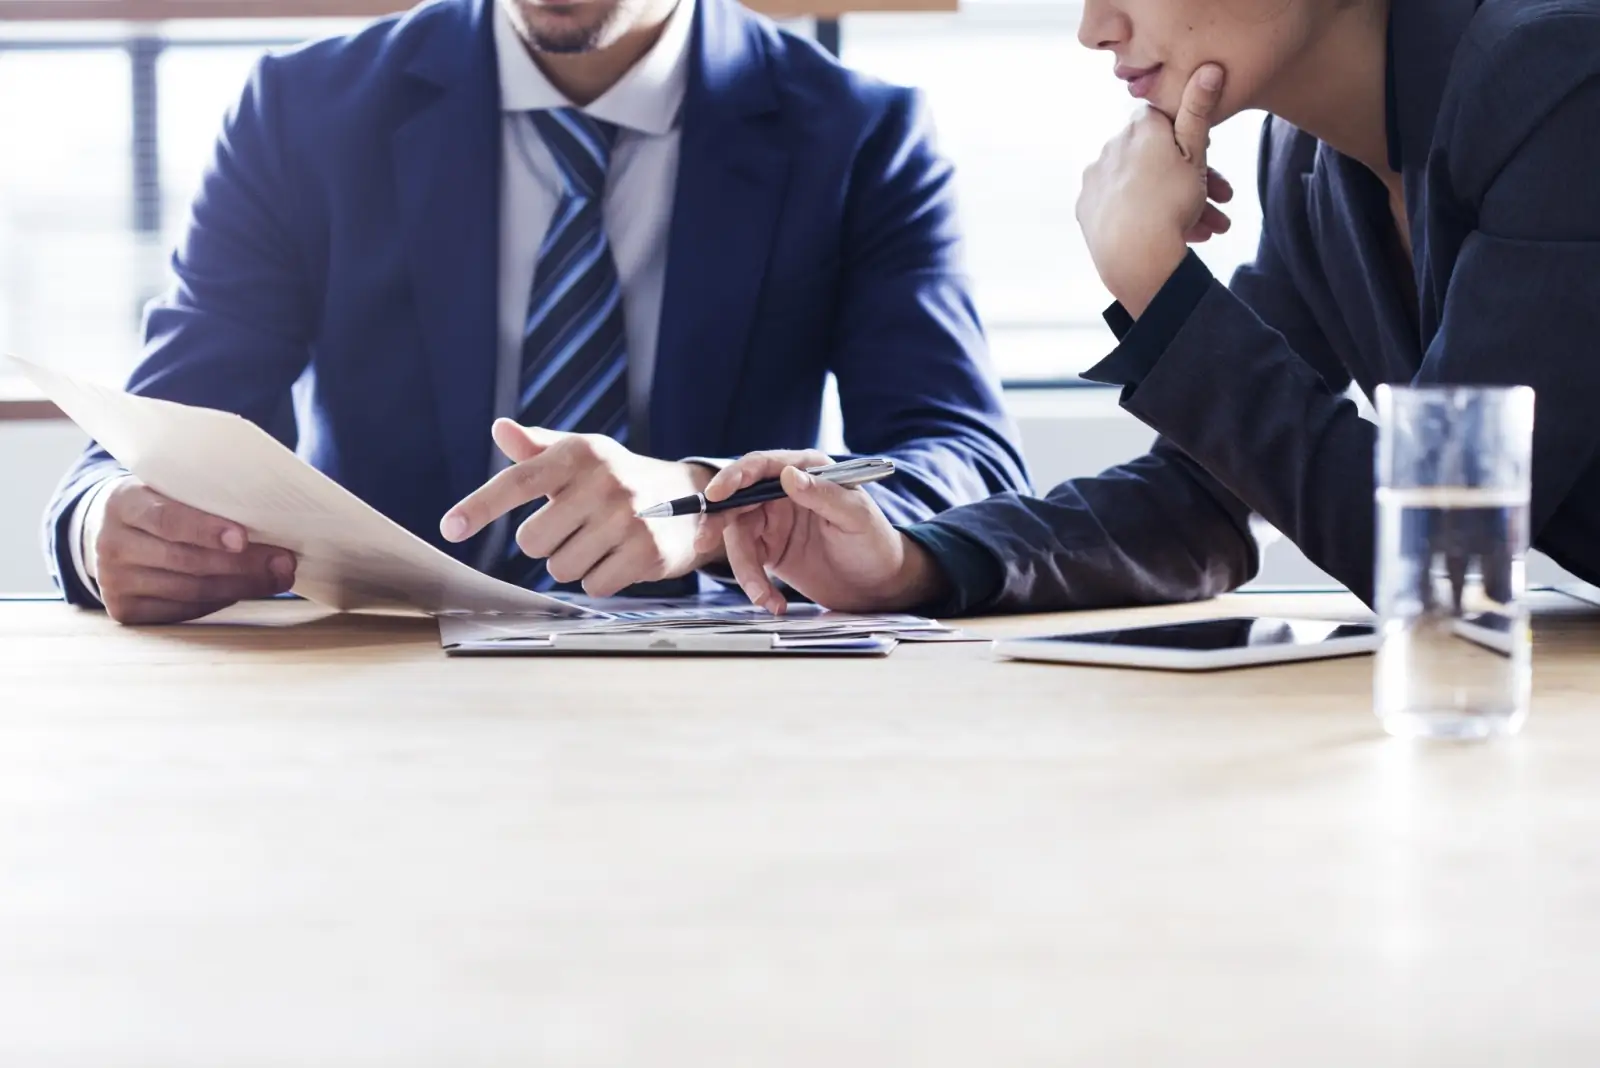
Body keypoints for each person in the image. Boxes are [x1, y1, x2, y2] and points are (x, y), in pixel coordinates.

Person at [42, 0, 1030, 624]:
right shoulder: (303, 110)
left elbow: (964, 462)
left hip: (719, 684)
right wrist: (103, 529)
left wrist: (712, 505)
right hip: (375, 689)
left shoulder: (861, 135)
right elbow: (168, 422)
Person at [695, 0, 1600, 617]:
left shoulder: (1562, 79)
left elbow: (1445, 557)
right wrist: (910, 562)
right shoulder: (1311, 165)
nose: (1094, 26)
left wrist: (1161, 288)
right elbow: (1206, 495)